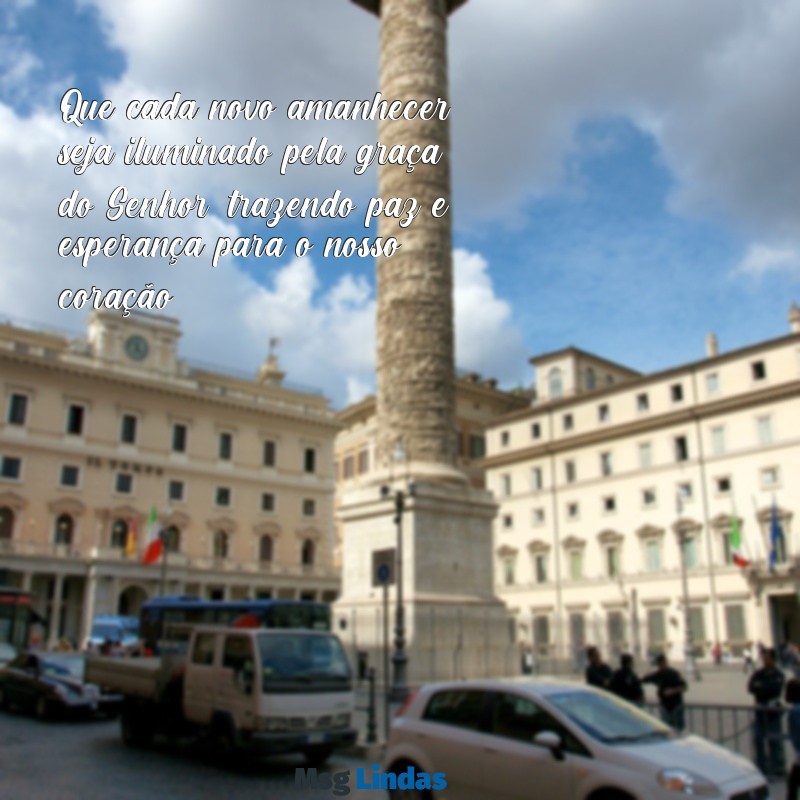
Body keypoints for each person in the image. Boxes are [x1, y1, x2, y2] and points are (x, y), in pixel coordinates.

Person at [747, 647, 786, 778]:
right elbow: (750, 687)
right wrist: (763, 688)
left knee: (774, 741)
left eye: (767, 657)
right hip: (759, 712)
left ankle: (777, 767)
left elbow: (775, 690)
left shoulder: (778, 674)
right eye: (764, 657)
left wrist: (761, 687)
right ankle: (761, 766)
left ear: (773, 659)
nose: (764, 660)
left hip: (773, 713)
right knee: (758, 739)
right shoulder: (758, 673)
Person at [642, 654, 688, 731]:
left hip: (676, 705)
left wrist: (672, 691)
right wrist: (649, 669)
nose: (658, 666)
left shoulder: (673, 674)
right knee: (666, 728)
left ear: (664, 663)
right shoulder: (657, 674)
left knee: (677, 729)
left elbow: (684, 687)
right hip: (664, 706)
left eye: (659, 664)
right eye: (657, 665)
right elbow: (643, 679)